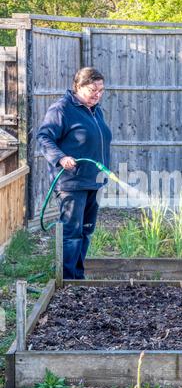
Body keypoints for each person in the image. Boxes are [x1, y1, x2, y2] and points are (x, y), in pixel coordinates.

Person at [37, 67, 112, 279]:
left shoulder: (96, 111)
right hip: (71, 182)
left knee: (86, 230)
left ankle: (78, 276)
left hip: (93, 182)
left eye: (101, 90)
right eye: (92, 90)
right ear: (77, 87)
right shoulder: (61, 109)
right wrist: (61, 157)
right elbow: (44, 137)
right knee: (71, 233)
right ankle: (67, 279)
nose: (98, 94)